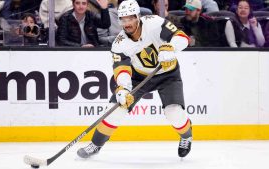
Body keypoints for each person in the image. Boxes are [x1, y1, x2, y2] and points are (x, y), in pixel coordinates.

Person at [77, 0, 192, 159]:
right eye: (123, 19)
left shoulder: (155, 23)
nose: (127, 23)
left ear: (138, 17)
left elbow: (182, 37)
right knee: (116, 109)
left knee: (174, 112)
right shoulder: (119, 43)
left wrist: (171, 48)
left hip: (167, 74)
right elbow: (121, 68)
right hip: (139, 77)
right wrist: (123, 89)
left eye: (130, 18)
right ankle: (95, 144)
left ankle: (186, 136)